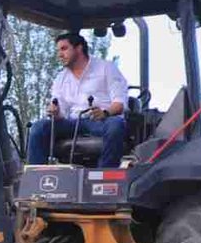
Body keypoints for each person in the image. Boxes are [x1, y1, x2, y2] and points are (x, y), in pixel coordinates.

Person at [27, 32, 130, 168]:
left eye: (64, 49)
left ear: (79, 48)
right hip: (73, 122)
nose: (59, 54)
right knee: (39, 127)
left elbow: (120, 103)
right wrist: (55, 112)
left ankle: (103, 173)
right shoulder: (61, 78)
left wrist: (105, 113)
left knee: (115, 125)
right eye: (58, 50)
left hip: (100, 121)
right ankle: (38, 176)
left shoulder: (106, 68)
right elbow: (60, 110)